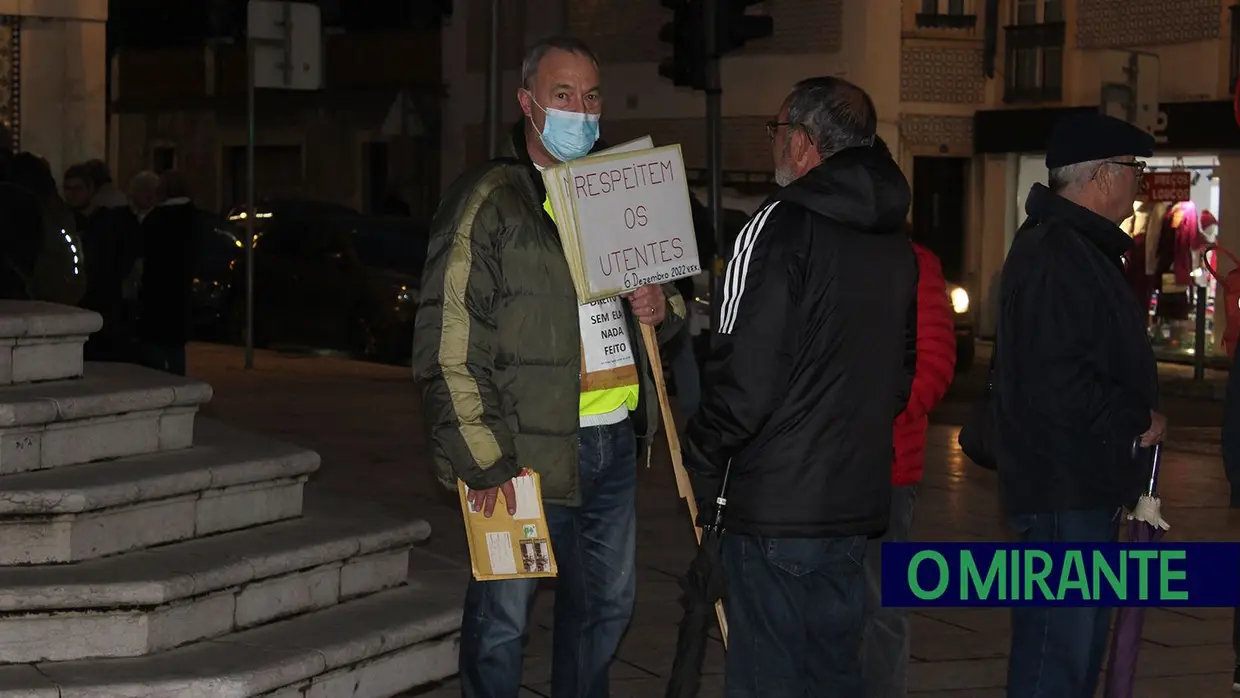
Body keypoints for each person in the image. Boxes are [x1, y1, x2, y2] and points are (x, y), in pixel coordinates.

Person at [411, 35, 685, 698]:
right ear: (528, 102)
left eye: (591, 97)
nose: (581, 111)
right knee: (504, 624)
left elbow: (668, 309)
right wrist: (484, 461)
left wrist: (661, 305)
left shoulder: (615, 192)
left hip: (611, 452)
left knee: (605, 612)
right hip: (521, 458)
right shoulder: (490, 200)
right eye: (564, 96)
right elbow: (448, 344)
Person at [684, 76, 918, 697]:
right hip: (855, 504)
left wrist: (701, 453)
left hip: (777, 510)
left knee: (768, 677)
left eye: (777, 132)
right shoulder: (895, 242)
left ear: (805, 144)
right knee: (832, 674)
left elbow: (742, 375)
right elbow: (899, 379)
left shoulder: (778, 226)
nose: (774, 146)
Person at [994, 111, 1163, 698]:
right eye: (1133, 169)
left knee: (1074, 654)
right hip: (1062, 493)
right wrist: (1137, 419)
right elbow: (1056, 382)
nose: (1138, 181)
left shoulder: (1077, 249)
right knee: (1055, 659)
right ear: (1102, 176)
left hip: (1079, 489)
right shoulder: (1059, 255)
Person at [861, 226, 957, 698]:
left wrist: (867, 423)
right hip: (816, 469)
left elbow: (934, 365)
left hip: (888, 468)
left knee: (880, 609)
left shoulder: (914, 262)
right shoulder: (812, 248)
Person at [136, 170, 198, 376]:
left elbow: (142, 256)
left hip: (156, 292)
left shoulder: (155, 219)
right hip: (181, 291)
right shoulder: (194, 217)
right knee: (176, 348)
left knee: (154, 347)